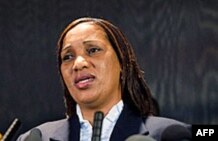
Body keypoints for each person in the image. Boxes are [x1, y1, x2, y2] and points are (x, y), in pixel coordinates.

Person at [17, 17, 191, 141]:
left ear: (122, 62)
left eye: (92, 50)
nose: (78, 63)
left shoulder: (172, 134)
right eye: (68, 57)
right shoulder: (36, 137)